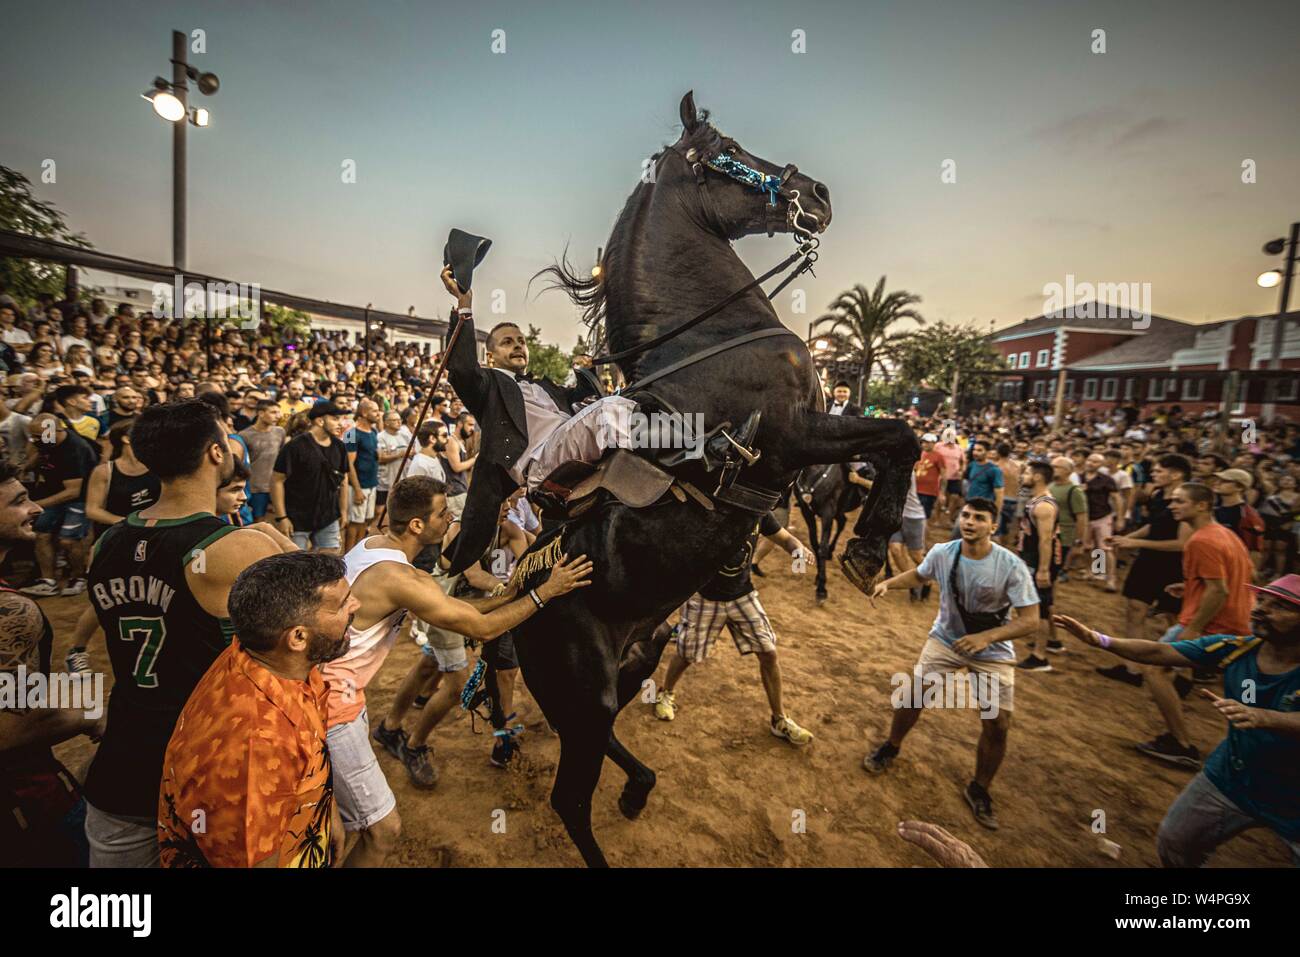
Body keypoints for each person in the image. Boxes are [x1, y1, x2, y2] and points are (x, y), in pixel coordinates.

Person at [322, 475, 593, 865]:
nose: (450, 519)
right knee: (382, 832)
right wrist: (545, 592)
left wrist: (512, 594)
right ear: (418, 525)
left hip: (331, 696)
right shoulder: (400, 578)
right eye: (442, 514)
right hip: (333, 708)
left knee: (340, 825)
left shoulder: (373, 546)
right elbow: (480, 628)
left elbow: (462, 612)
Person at [82, 401, 284, 867]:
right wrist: (278, 544)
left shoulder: (107, 543)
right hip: (211, 764)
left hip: (125, 762)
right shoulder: (237, 546)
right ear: (216, 454)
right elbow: (321, 628)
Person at [1053, 575, 1300, 867]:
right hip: (1232, 778)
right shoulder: (1236, 648)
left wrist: (1265, 717)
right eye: (1262, 600)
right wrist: (1100, 640)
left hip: (1292, 798)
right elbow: (1161, 652)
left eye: (1280, 606)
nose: (1261, 609)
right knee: (1175, 843)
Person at [158, 552, 354, 868]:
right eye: (342, 605)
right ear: (298, 637)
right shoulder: (255, 746)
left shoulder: (271, 658)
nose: (355, 606)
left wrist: (324, 812)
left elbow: (311, 753)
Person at [863, 498, 1040, 830]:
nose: (970, 522)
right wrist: (888, 582)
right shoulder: (944, 552)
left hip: (992, 650)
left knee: (998, 723)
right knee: (914, 696)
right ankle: (891, 746)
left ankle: (980, 788)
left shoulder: (1010, 565)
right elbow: (919, 574)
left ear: (993, 526)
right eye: (966, 515)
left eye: (979, 518)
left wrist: (986, 638)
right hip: (945, 639)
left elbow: (1031, 621)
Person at [440, 267, 629, 575]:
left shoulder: (544, 386)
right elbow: (461, 369)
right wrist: (464, 303)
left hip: (568, 447)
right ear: (489, 358)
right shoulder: (487, 387)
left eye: (520, 340)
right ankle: (686, 440)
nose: (517, 345)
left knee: (623, 404)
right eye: (506, 342)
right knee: (610, 412)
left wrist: (590, 369)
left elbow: (577, 399)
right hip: (542, 464)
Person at [0, 463, 101, 867]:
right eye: (19, 501)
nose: (37, 508)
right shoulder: (11, 610)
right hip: (26, 804)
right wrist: (89, 711)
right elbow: (7, 727)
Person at [651, 511, 814, 746]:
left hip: (742, 595)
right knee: (686, 654)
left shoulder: (759, 514)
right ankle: (665, 693)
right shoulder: (711, 513)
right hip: (705, 598)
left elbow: (786, 538)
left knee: (769, 653)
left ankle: (779, 719)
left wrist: (797, 548)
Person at [1137, 482, 1254, 769]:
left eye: (1179, 501)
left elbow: (1219, 591)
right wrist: (1190, 586)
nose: (1172, 506)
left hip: (1213, 622)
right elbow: (1232, 579)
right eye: (1173, 501)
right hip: (1235, 618)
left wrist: (1193, 630)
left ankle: (1180, 743)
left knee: (1154, 668)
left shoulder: (1202, 540)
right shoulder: (1225, 534)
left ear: (1201, 505)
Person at [1099, 453, 1192, 687]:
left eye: (1159, 471)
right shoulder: (1159, 495)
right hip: (1148, 560)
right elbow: (1152, 526)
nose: (1154, 474)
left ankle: (1184, 674)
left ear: (1176, 474)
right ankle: (1133, 668)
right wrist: (1125, 538)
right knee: (1135, 608)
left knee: (1175, 619)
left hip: (1174, 565)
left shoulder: (1188, 500)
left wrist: (1135, 543)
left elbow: (1182, 544)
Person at [22, 412, 97, 597]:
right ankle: (47, 580)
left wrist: (37, 504)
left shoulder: (74, 450)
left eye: (39, 436)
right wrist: (27, 463)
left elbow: (73, 491)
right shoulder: (47, 440)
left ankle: (78, 577)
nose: (35, 440)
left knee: (68, 540)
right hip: (54, 492)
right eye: (34, 436)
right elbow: (35, 457)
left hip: (79, 497)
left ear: (57, 430)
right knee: (41, 534)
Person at [271, 401, 350, 553]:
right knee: (297, 565)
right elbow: (276, 480)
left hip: (328, 516)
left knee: (329, 560)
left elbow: (343, 480)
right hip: (297, 518)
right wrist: (282, 517)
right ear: (320, 421)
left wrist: (343, 511)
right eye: (335, 419)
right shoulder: (295, 446)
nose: (341, 424)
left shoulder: (339, 446)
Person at [1015, 462, 1064, 671]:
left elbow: (1046, 540)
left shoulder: (1044, 506)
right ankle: (1053, 640)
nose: (1022, 476)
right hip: (1033, 559)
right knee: (1045, 602)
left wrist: (1043, 569)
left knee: (1040, 607)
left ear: (1037, 477)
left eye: (1026, 473)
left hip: (1040, 561)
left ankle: (1040, 656)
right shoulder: (1036, 500)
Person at [237, 399, 286, 523]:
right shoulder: (244, 435)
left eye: (278, 412)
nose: (278, 416)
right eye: (273, 412)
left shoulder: (280, 432)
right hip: (254, 487)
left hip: (276, 485)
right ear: (261, 413)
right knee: (259, 522)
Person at [343, 398, 381, 551]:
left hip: (372, 483)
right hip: (358, 484)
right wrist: (357, 489)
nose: (378, 414)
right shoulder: (350, 433)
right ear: (364, 413)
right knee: (354, 523)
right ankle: (347, 555)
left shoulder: (374, 431)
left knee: (365, 521)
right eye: (375, 411)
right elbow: (348, 463)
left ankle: (358, 552)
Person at [1081, 452, 1122, 591]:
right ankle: (1093, 570)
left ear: (1101, 465)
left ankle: (1110, 579)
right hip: (1084, 517)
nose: (1091, 463)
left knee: (1105, 548)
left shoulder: (1106, 479)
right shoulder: (1078, 477)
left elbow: (1117, 498)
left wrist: (1120, 518)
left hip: (1102, 516)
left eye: (1095, 462)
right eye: (1090, 460)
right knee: (1086, 546)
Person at [913, 432, 944, 519]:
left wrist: (942, 492)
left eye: (927, 442)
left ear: (934, 443)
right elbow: (915, 469)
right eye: (923, 442)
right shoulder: (919, 454)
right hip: (916, 488)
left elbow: (943, 475)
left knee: (924, 515)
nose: (924, 444)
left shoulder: (939, 456)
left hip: (929, 491)